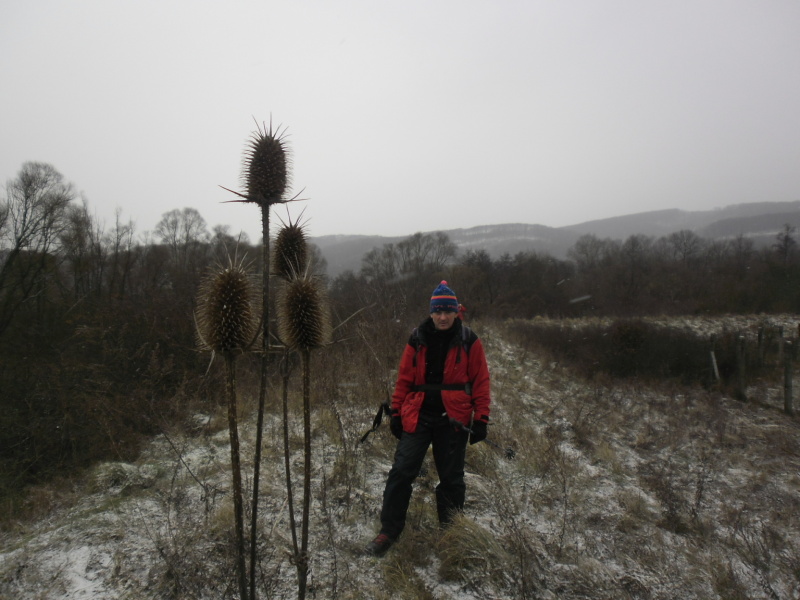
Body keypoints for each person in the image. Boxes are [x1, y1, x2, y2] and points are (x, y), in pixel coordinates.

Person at [366, 281, 491, 556]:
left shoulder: (470, 340)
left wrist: (481, 418)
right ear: (431, 312)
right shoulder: (417, 338)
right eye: (438, 311)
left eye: (448, 311)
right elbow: (404, 379)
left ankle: (451, 531)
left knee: (452, 479)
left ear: (456, 312)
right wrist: (396, 413)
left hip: (454, 418)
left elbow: (481, 382)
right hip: (418, 415)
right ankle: (389, 530)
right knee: (401, 472)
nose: (443, 317)